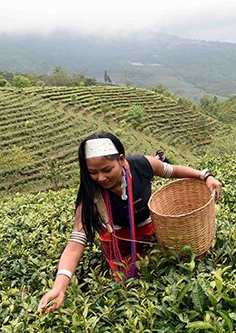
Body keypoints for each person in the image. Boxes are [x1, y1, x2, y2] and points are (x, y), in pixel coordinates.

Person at [38, 132, 222, 313]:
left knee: (160, 273)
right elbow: (76, 241)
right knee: (129, 288)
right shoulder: (90, 195)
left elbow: (172, 171)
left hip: (149, 232)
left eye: (107, 169)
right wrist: (59, 286)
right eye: (93, 172)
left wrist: (205, 176)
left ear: (121, 159)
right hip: (118, 242)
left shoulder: (143, 165)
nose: (101, 178)